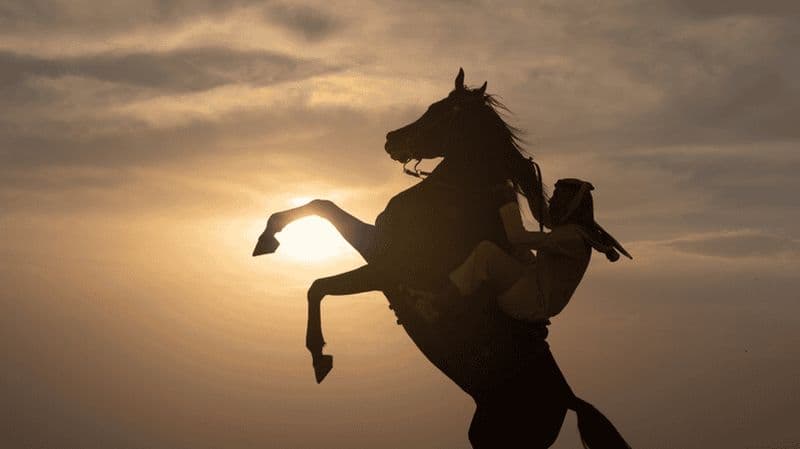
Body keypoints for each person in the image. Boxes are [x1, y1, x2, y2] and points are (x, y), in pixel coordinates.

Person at [406, 177, 631, 323]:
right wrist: (523, 187)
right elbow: (545, 218)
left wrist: (508, 203)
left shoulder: (571, 237)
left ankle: (436, 305)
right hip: (538, 282)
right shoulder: (576, 231)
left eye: (556, 200)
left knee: (486, 253)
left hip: (532, 300)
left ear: (570, 206)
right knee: (511, 251)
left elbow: (518, 237)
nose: (551, 203)